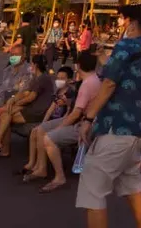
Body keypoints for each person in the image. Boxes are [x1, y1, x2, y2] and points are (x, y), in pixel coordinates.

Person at [76, 4, 141, 228]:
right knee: (133, 185)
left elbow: (110, 83)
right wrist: (104, 58)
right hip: (136, 130)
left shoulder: (125, 45)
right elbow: (124, 76)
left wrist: (88, 118)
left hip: (115, 128)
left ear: (132, 23)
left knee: (93, 190)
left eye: (122, 18)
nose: (120, 22)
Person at [25, 51, 101, 192]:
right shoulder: (94, 79)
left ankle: (59, 177)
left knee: (48, 138)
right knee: (40, 129)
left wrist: (59, 128)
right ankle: (41, 168)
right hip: (80, 119)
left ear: (78, 66)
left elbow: (76, 114)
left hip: (83, 123)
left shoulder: (86, 85)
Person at [0, 55, 55, 159]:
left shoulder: (42, 78)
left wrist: (17, 103)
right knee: (5, 115)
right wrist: (14, 99)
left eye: (32, 64)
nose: (31, 66)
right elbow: (26, 93)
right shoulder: (36, 77)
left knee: (5, 116)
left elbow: (31, 97)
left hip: (37, 112)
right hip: (31, 108)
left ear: (36, 65)